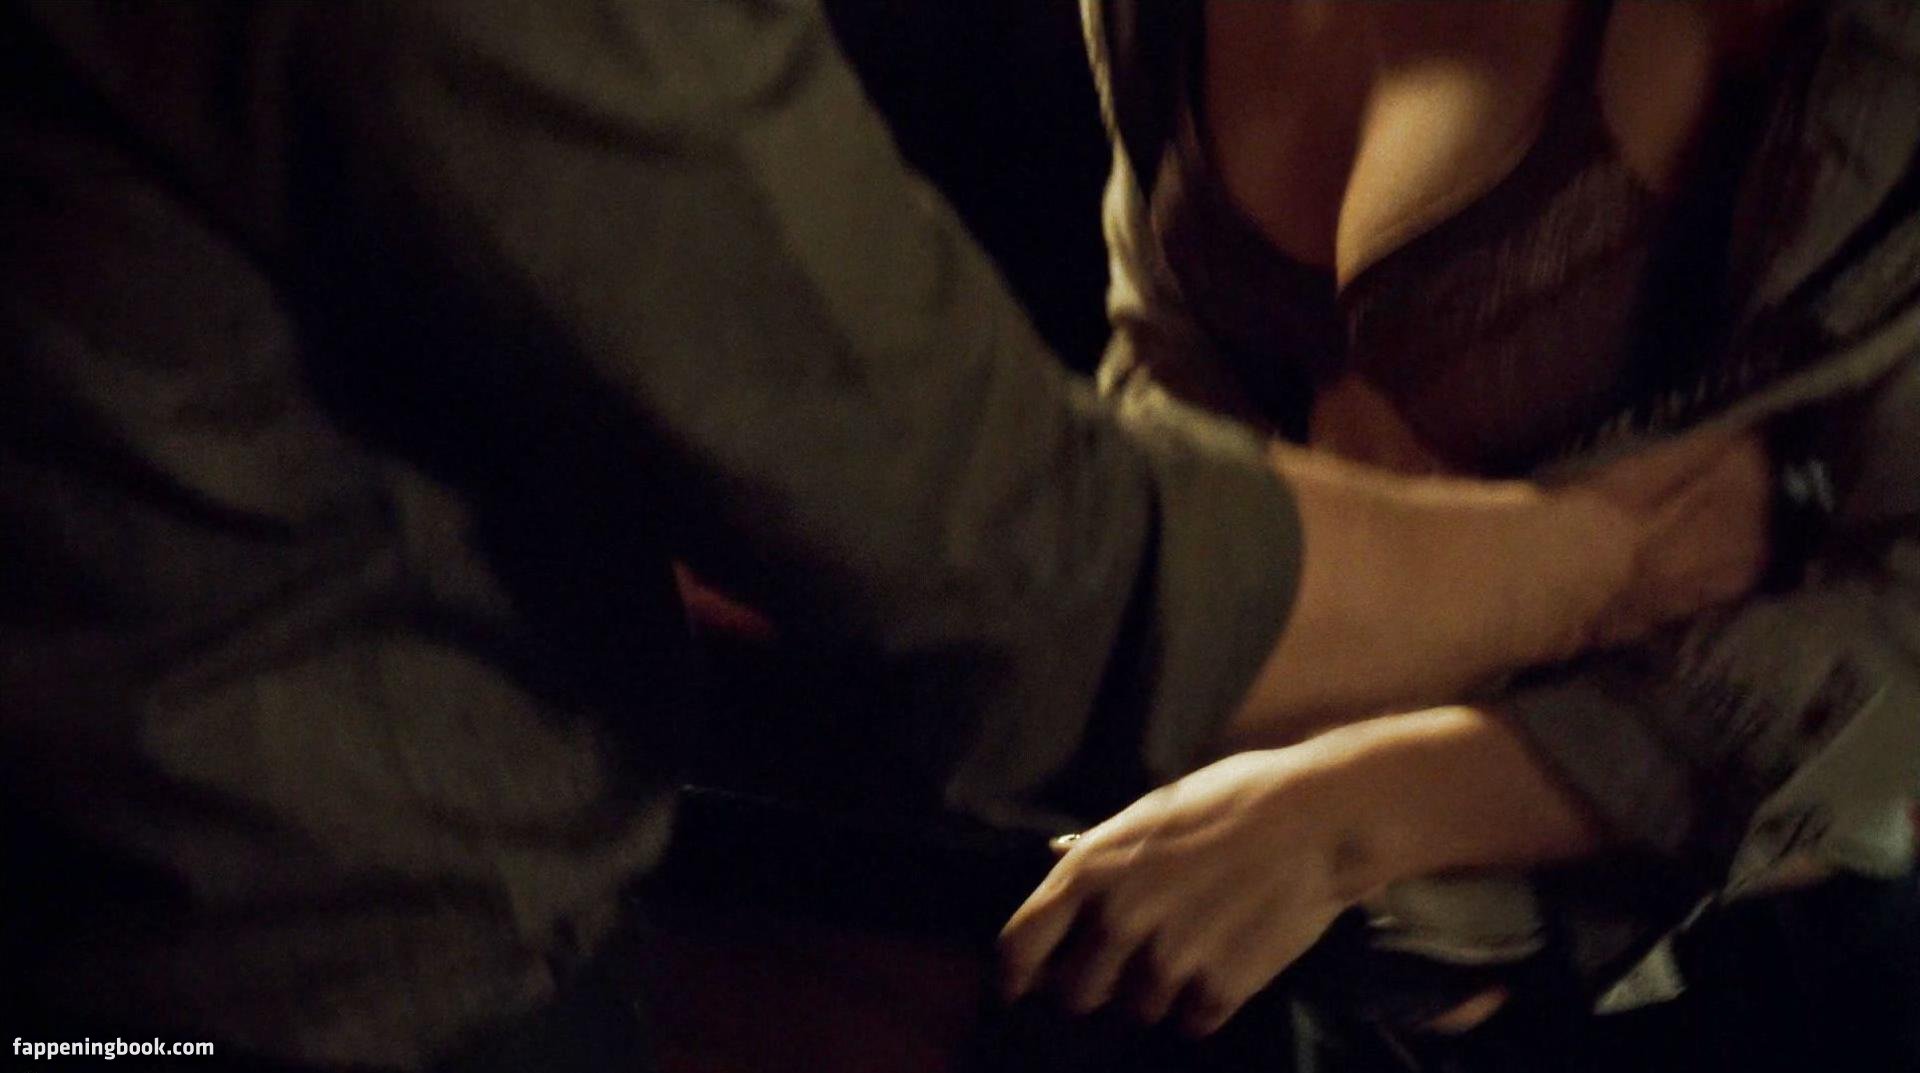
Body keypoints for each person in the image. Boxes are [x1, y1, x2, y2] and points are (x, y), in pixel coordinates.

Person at [0, 1, 1769, 1070]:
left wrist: (1381, 794)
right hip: (266, 959)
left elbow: (1870, 612)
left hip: (1642, 944)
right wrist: (1588, 562)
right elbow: (1002, 540)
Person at [1000, 0, 1920, 1068]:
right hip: (1262, 917)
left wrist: (1356, 816)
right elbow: (1160, 401)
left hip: (1715, 961)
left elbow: (1894, 613)